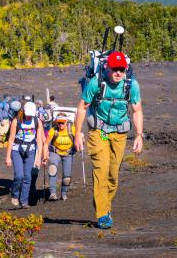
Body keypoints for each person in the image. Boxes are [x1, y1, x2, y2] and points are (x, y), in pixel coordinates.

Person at [74, 51, 143, 229]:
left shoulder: (131, 85)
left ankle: (104, 204)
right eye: (115, 69)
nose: (119, 73)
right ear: (107, 67)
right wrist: (77, 134)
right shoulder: (95, 83)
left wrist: (139, 136)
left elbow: (137, 111)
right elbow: (82, 108)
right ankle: (103, 215)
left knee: (113, 175)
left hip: (119, 134)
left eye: (122, 69)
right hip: (99, 132)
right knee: (101, 170)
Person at [5, 101, 47, 208]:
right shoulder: (16, 121)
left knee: (28, 177)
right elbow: (11, 139)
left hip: (31, 150)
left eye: (31, 115)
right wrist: (8, 157)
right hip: (17, 149)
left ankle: (24, 201)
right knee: (19, 175)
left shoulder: (37, 122)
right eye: (27, 115)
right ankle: (15, 195)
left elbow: (39, 141)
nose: (29, 117)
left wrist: (38, 158)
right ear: (24, 112)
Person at [45, 114, 76, 201]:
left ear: (66, 122)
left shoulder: (72, 129)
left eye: (62, 123)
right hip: (56, 152)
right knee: (52, 169)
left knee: (66, 177)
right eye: (59, 123)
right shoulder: (53, 130)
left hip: (68, 153)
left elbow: (78, 139)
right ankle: (53, 193)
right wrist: (45, 155)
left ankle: (64, 193)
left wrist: (80, 140)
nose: (60, 125)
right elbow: (46, 143)